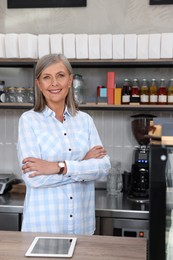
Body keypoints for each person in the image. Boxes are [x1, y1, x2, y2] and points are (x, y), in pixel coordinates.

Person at [17, 53, 111, 235]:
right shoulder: (28, 121)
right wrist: (83, 165)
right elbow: (34, 178)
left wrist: (58, 167)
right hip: (43, 229)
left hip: (82, 228)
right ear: (39, 84)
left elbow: (103, 167)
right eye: (46, 77)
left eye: (60, 75)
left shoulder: (85, 121)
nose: (54, 83)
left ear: (70, 80)